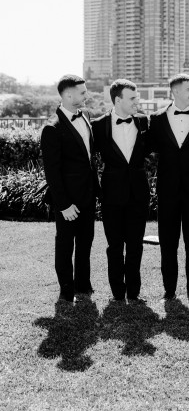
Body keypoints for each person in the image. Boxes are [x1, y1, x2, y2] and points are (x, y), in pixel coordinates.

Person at [149, 73, 189, 302]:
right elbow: (148, 149)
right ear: (175, 92)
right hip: (167, 192)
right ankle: (169, 289)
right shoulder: (155, 119)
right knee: (168, 242)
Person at [92, 79, 152, 304]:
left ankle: (134, 291)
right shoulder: (98, 125)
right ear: (118, 100)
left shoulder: (144, 123)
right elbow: (88, 158)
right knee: (114, 245)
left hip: (138, 193)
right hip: (111, 194)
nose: (138, 101)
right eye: (133, 98)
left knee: (136, 244)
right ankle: (118, 291)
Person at [40, 74, 99, 303]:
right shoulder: (51, 128)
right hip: (67, 201)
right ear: (68, 94)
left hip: (88, 194)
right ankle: (66, 290)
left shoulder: (85, 116)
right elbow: (52, 172)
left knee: (86, 242)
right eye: (83, 92)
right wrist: (63, 204)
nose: (87, 95)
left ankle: (83, 285)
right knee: (65, 245)